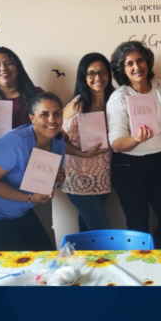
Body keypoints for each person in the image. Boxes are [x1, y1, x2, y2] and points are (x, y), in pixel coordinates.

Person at [0, 92, 69, 251]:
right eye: (44, 114)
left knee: (47, 255)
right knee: (23, 263)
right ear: (32, 118)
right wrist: (30, 198)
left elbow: (42, 181)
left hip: (18, 211)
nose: (52, 119)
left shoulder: (58, 143)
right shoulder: (15, 141)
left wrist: (57, 180)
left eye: (57, 113)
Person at [0, 47, 55, 247]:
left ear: (17, 66)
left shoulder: (36, 94)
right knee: (11, 233)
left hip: (36, 171)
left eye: (8, 63)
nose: (3, 68)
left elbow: (51, 131)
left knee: (43, 228)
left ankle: (49, 265)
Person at [107, 41, 161, 249]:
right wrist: (136, 139)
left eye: (140, 60)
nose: (136, 67)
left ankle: (154, 257)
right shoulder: (118, 98)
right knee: (138, 227)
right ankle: (141, 264)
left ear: (147, 61)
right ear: (122, 69)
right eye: (129, 63)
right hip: (129, 167)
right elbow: (116, 144)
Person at [62, 53, 114, 232]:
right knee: (101, 230)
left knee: (87, 230)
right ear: (83, 77)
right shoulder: (77, 105)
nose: (97, 77)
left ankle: (80, 251)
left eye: (102, 72)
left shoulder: (113, 101)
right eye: (91, 73)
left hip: (102, 175)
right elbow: (56, 140)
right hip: (78, 177)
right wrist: (83, 154)